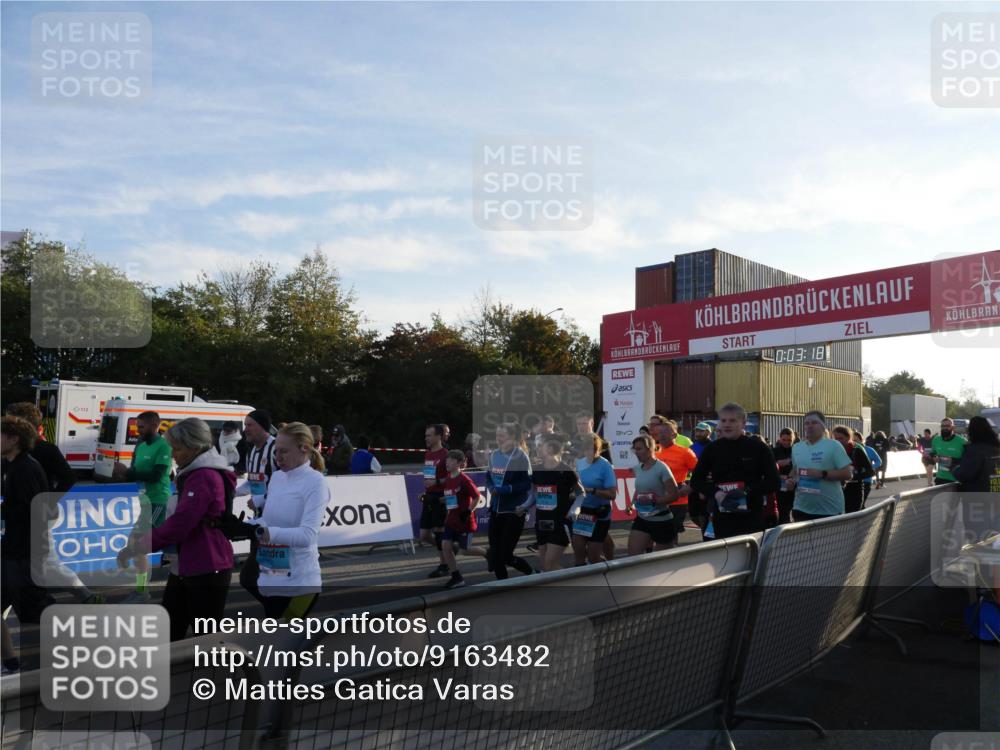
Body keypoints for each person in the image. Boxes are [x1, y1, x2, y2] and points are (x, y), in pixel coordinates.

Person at [117, 419, 234, 641]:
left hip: (206, 566)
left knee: (205, 637)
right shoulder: (196, 472)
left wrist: (137, 547)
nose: (172, 454)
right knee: (173, 631)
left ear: (195, 446)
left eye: (177, 448)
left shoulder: (203, 477)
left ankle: (215, 675)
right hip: (190, 564)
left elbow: (179, 525)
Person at [5, 403, 102, 604]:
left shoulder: (45, 450)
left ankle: (85, 597)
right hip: (24, 515)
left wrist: (49, 500)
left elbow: (68, 476)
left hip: (40, 515)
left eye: (10, 421)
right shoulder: (11, 453)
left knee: (45, 562)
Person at [239, 422, 329, 619]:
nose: (278, 458)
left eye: (284, 452)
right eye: (276, 451)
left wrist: (263, 532)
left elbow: (307, 535)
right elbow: (268, 520)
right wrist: (243, 528)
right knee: (275, 644)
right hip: (269, 579)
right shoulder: (278, 477)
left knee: (286, 647)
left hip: (300, 584)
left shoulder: (316, 482)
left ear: (304, 448)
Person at [1, 415, 55, 671]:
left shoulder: (25, 468)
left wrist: (5, 510)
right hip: (14, 548)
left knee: (32, 612)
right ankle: (10, 662)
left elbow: (34, 512)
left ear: (14, 439)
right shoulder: (12, 465)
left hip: (24, 552)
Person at [690, 402, 780, 539]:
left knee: (751, 558)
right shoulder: (712, 449)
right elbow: (696, 481)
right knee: (724, 558)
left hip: (751, 517)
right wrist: (716, 493)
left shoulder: (758, 448)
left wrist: (746, 491)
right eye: (723, 420)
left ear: (743, 423)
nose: (727, 424)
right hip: (722, 518)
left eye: (732, 420)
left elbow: (774, 482)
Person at [112, 411, 173, 604]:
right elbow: (134, 472)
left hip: (159, 501)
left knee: (140, 546)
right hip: (145, 501)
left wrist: (128, 472)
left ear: (155, 425)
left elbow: (157, 476)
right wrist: (122, 474)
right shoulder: (139, 445)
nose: (138, 430)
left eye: (141, 427)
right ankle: (141, 590)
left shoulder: (163, 446)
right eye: (136, 427)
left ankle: (141, 590)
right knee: (137, 545)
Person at [485, 422, 535, 579]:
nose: (498, 439)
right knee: (495, 553)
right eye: (497, 435)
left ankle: (532, 574)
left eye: (502, 436)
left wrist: (508, 489)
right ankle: (502, 585)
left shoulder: (520, 456)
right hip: (496, 509)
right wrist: (491, 486)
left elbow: (527, 483)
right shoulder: (494, 454)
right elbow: (488, 476)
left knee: (505, 555)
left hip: (514, 510)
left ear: (512, 437)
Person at [237, 409, 278, 598]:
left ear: (263, 427)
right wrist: (231, 492)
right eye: (245, 425)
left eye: (250, 425)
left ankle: (281, 612)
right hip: (259, 523)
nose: (246, 429)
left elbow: (285, 484)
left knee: (257, 576)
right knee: (256, 577)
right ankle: (278, 612)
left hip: (275, 525)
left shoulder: (275, 449)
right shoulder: (252, 451)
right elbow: (254, 482)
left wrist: (262, 499)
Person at [785, 411, 854, 521]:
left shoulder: (833, 445)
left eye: (814, 422)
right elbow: (795, 470)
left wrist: (822, 474)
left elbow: (848, 473)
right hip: (801, 508)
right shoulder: (797, 447)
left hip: (829, 510)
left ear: (823, 426)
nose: (810, 426)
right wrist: (790, 480)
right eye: (807, 423)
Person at [530, 437, 583, 572]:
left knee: (548, 564)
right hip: (542, 523)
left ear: (551, 448)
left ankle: (573, 583)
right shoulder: (536, 470)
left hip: (560, 523)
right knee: (546, 567)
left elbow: (581, 493)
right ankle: (568, 585)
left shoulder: (566, 471)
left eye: (541, 445)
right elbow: (535, 494)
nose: (537, 448)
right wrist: (524, 506)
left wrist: (575, 510)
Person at [440, 449, 488, 589]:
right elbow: (450, 498)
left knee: (464, 550)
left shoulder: (464, 479)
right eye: (446, 460)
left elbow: (477, 497)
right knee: (445, 546)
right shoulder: (449, 478)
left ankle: (487, 553)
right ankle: (456, 577)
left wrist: (468, 511)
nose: (447, 462)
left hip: (464, 520)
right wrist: (435, 500)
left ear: (459, 463)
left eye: (451, 460)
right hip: (451, 520)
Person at [626, 435, 679, 555]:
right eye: (634, 449)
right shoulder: (638, 468)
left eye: (639, 449)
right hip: (642, 518)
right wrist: (631, 504)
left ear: (650, 449)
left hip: (661, 520)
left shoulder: (662, 468)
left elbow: (674, 495)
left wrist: (654, 501)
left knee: (661, 562)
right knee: (633, 556)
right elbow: (640, 490)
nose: (636, 453)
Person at [571, 433, 618, 565]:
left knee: (593, 557)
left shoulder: (605, 466)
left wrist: (593, 491)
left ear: (599, 450)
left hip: (600, 513)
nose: (590, 453)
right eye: (587, 450)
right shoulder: (579, 463)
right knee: (579, 553)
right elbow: (575, 486)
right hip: (583, 512)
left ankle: (608, 571)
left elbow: (612, 494)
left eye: (593, 450)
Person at [652, 419, 698, 537]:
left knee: (670, 534)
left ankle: (672, 554)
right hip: (656, 496)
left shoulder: (685, 452)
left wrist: (688, 488)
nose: (661, 435)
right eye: (660, 432)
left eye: (665, 432)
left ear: (674, 434)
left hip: (677, 498)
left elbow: (699, 474)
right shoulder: (653, 451)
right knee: (653, 533)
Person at [420, 424, 451, 578]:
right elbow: (428, 475)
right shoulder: (427, 453)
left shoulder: (445, 454)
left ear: (438, 436)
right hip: (429, 496)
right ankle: (447, 549)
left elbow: (452, 478)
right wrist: (427, 484)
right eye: (426, 435)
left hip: (440, 498)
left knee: (439, 532)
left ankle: (444, 565)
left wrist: (436, 483)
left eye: (429, 435)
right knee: (424, 535)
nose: (426, 438)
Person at [831, 425, 875, 513]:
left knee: (852, 518)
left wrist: (853, 477)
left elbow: (870, 472)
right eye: (835, 439)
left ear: (848, 437)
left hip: (855, 490)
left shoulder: (857, 449)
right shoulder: (832, 450)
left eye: (841, 438)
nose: (838, 441)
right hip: (837, 490)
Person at [952, 416, 1000, 494]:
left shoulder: (975, 450)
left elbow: (964, 474)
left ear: (973, 431)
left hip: (978, 498)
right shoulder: (996, 448)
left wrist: (954, 468)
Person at [929, 418, 967, 486]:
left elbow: (968, 460)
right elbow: (932, 453)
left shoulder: (962, 442)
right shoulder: (936, 440)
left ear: (953, 427)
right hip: (940, 477)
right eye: (943, 426)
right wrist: (934, 457)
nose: (945, 428)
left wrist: (953, 460)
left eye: (947, 426)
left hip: (956, 479)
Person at [772, 428, 796, 525]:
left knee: (790, 511)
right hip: (779, 487)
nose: (786, 442)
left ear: (793, 439)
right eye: (784, 440)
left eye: (789, 440)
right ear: (779, 439)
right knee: (782, 512)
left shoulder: (796, 451)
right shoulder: (774, 451)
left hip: (792, 486)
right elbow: (768, 468)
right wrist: (777, 465)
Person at [854, 431, 882, 506]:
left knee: (861, 503)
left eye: (856, 440)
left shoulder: (869, 450)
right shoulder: (850, 450)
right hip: (853, 481)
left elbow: (879, 461)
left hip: (866, 480)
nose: (854, 442)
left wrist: (869, 467)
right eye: (853, 440)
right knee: (855, 504)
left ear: (861, 440)